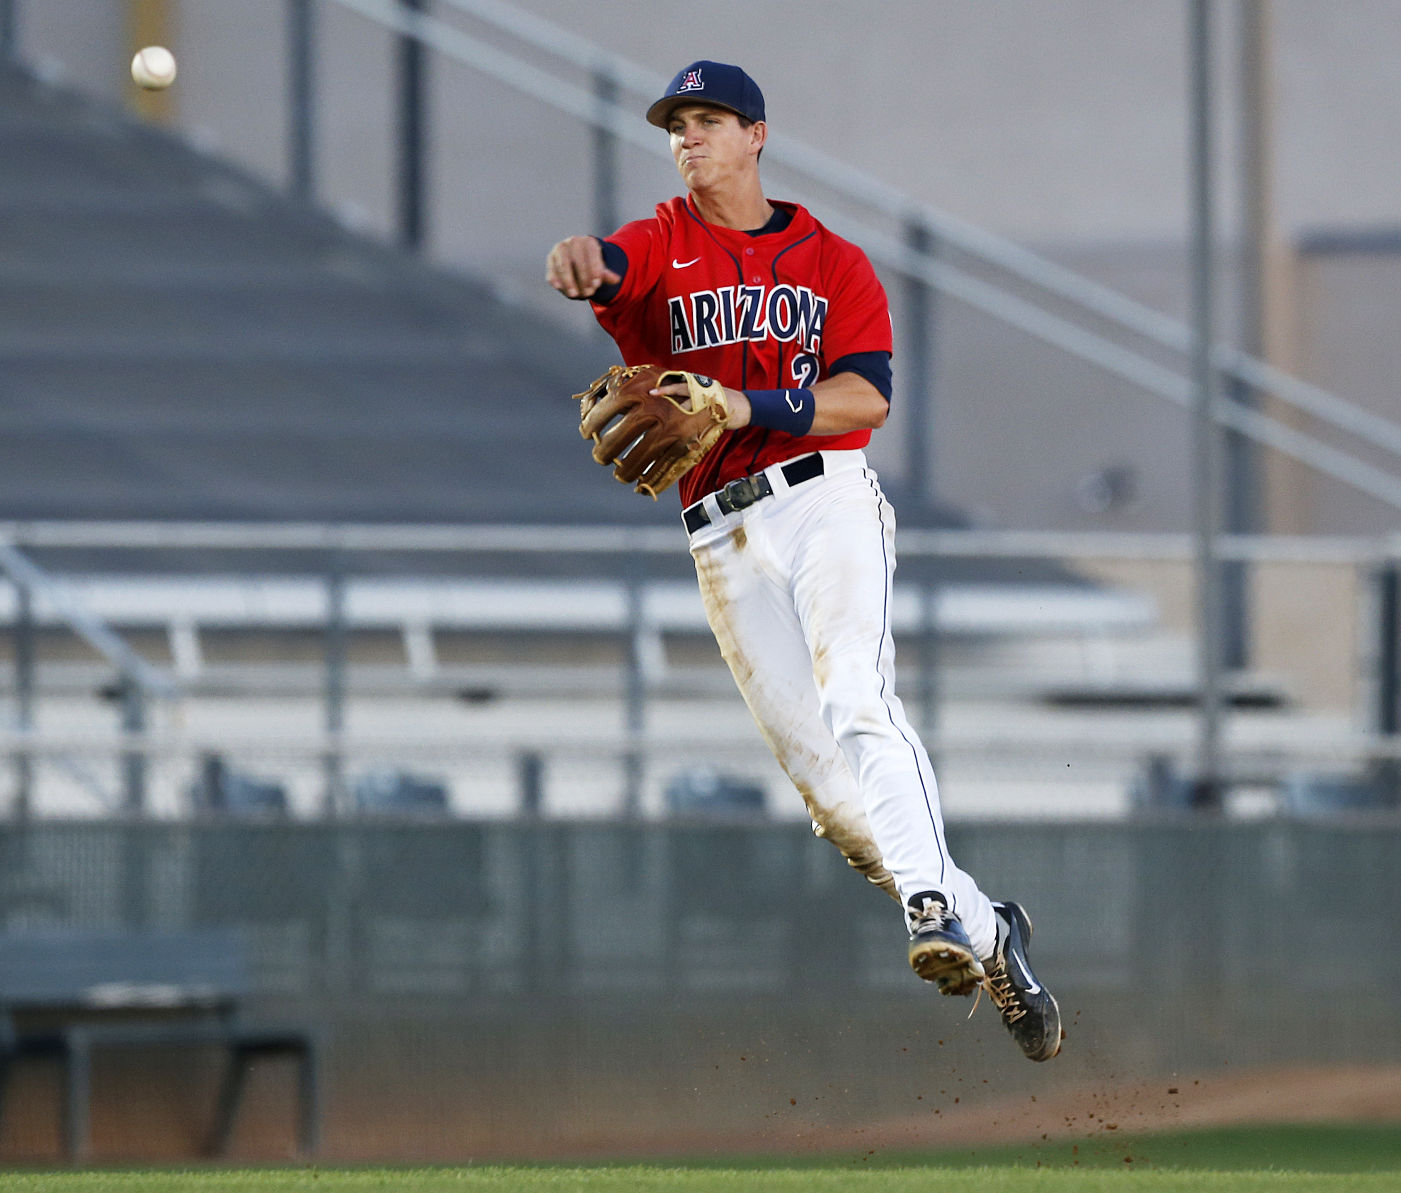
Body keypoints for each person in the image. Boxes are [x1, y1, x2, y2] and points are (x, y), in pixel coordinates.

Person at [546, 60, 1061, 1062]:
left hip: (825, 498)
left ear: (756, 135)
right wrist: (581, 259)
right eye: (676, 125)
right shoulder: (663, 241)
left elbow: (865, 399)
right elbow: (611, 264)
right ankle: (991, 929)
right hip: (721, 536)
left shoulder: (834, 261)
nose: (687, 138)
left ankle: (930, 909)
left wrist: (744, 406)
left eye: (706, 121)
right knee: (836, 801)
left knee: (858, 697)